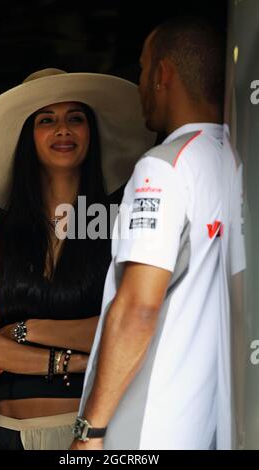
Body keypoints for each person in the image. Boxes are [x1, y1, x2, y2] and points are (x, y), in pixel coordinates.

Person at [71, 17, 239, 450]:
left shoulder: (162, 166)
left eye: (143, 70)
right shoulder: (238, 162)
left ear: (163, 74)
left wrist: (91, 432)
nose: (141, 82)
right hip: (208, 423)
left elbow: (139, 308)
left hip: (144, 428)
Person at [0, 68, 155, 450]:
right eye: (46, 120)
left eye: (75, 118)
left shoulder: (119, 227)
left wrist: (27, 330)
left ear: (91, 134)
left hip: (92, 435)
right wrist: (82, 361)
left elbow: (130, 325)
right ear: (27, 138)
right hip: (5, 434)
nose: (63, 129)